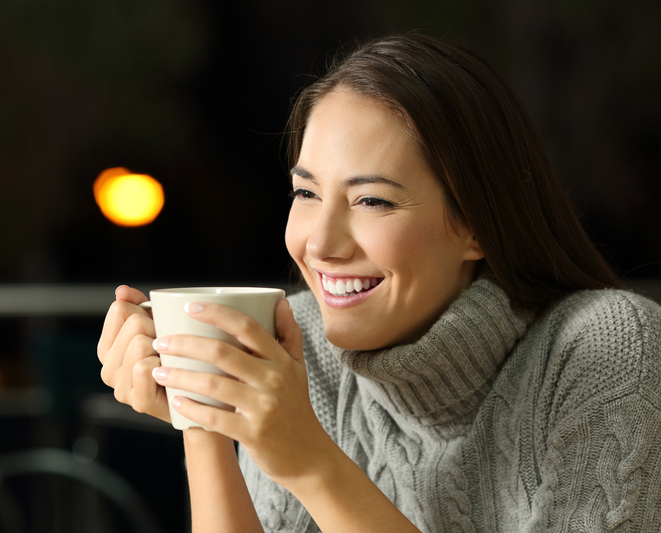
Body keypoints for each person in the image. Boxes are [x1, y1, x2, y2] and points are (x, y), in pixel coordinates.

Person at [97, 33, 661, 532]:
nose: (320, 245)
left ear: (476, 225)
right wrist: (206, 422)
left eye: (372, 200)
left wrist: (310, 463)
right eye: (307, 193)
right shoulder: (304, 343)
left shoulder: (606, 349)